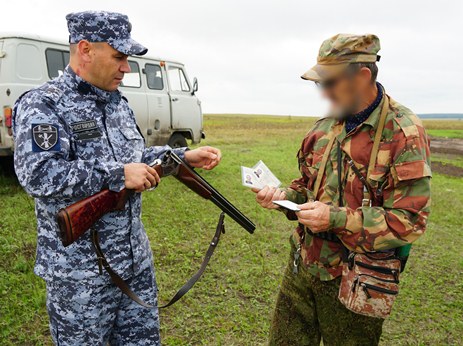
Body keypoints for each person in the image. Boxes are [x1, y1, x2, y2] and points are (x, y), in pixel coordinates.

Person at [13, 11, 222, 346]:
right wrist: (117, 175)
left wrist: (181, 157)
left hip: (134, 264)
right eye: (119, 57)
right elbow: (38, 175)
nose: (127, 68)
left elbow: (135, 159)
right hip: (79, 277)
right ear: (85, 49)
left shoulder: (117, 104)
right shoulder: (43, 105)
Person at [254, 34, 431, 345]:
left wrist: (334, 219)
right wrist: (285, 197)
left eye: (330, 83)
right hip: (303, 266)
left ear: (362, 77)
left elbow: (408, 220)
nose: (324, 93)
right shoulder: (324, 128)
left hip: (356, 280)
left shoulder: (404, 133)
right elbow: (306, 187)